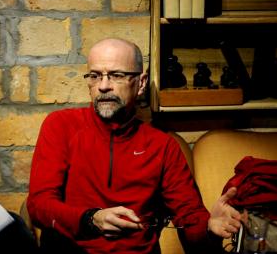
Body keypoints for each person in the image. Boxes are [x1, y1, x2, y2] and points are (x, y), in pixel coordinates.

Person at [27, 38, 242, 253]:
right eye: (95, 76)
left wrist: (209, 228)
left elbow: (189, 218)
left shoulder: (162, 146)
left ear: (140, 83)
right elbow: (39, 206)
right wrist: (91, 219)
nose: (103, 86)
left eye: (117, 75)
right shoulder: (61, 125)